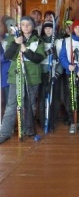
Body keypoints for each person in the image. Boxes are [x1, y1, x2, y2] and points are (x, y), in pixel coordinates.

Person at [0, 16, 46, 144]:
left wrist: (25, 49)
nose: (25, 27)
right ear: (20, 26)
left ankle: (28, 128)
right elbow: (8, 56)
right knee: (12, 105)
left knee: (29, 104)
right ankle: (4, 132)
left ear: (33, 27)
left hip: (32, 77)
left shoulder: (38, 40)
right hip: (16, 76)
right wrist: (16, 43)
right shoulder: (12, 39)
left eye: (28, 24)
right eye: (23, 24)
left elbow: (38, 58)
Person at [59, 19, 79, 134]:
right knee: (71, 98)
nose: (78, 30)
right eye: (76, 27)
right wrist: (68, 66)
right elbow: (62, 56)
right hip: (71, 73)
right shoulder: (67, 40)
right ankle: (73, 121)